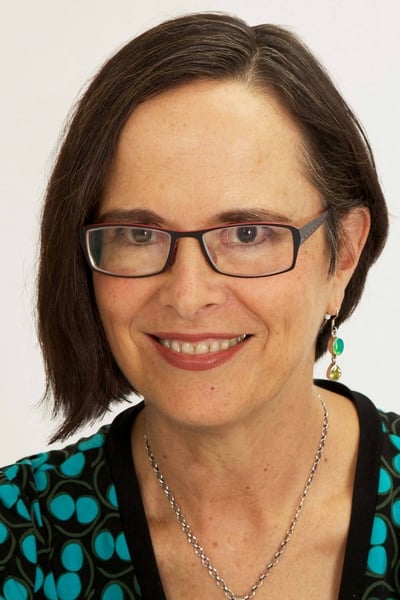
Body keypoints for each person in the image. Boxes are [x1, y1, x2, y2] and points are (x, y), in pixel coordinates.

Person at [0, 11, 397, 600]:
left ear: (344, 254)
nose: (188, 296)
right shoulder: (18, 536)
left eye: (247, 234)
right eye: (139, 234)